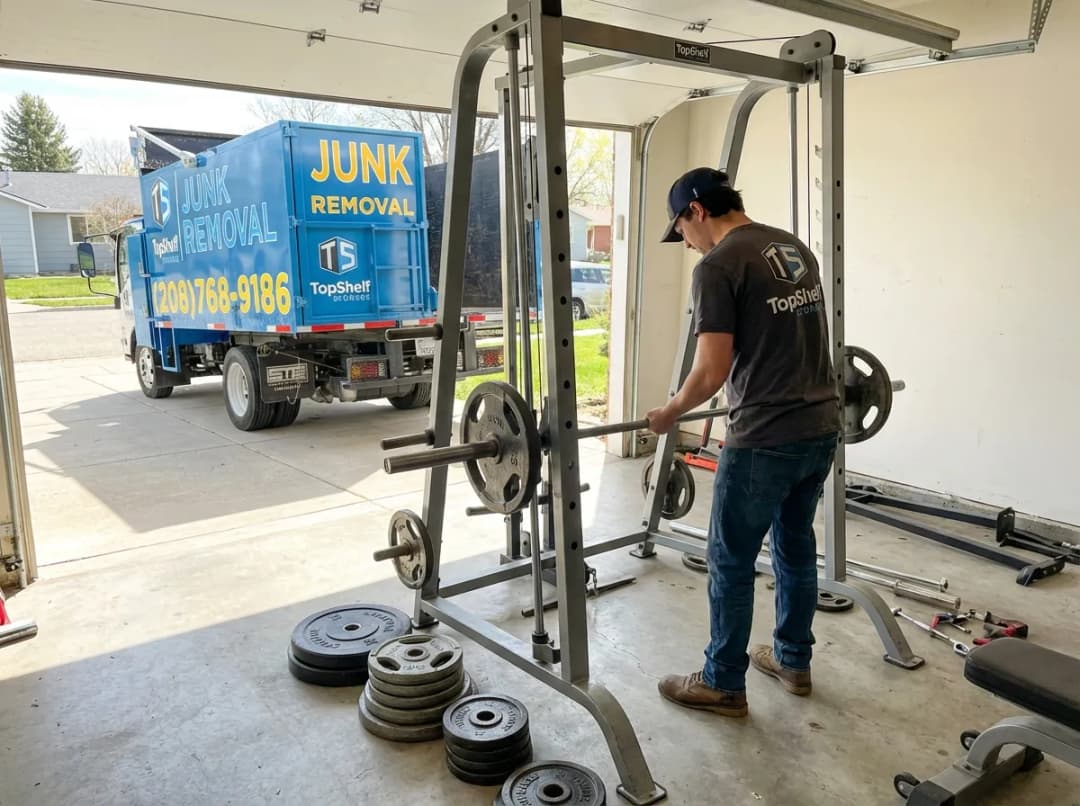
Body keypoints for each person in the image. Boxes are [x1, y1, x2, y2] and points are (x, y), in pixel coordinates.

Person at [646, 166, 842, 718]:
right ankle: (792, 660)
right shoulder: (791, 246)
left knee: (729, 559)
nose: (685, 242)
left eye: (680, 229)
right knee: (795, 546)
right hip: (819, 427)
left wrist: (669, 413)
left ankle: (723, 681)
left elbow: (711, 371)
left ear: (697, 211)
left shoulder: (718, 266)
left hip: (763, 437)